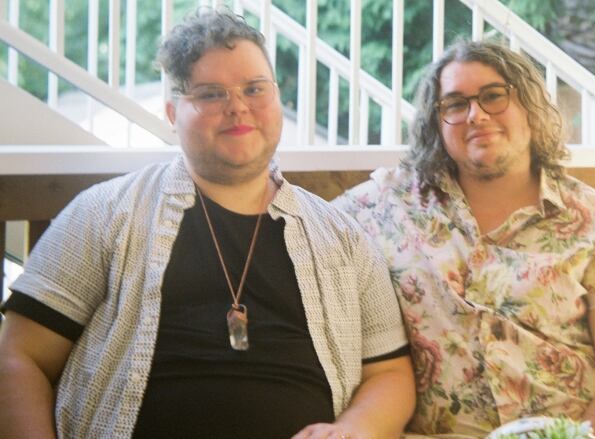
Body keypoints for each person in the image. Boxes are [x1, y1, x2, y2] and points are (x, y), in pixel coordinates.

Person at [0, 8, 414, 439]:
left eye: (254, 88)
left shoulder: (342, 239)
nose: (238, 107)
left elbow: (388, 371)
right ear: (172, 112)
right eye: (211, 94)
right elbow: (19, 358)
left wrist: (353, 430)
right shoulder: (105, 213)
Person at [334, 40, 595, 439]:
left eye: (494, 96)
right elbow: (302, 229)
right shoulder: (385, 208)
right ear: (437, 123)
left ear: (529, 108)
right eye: (455, 104)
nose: (475, 114)